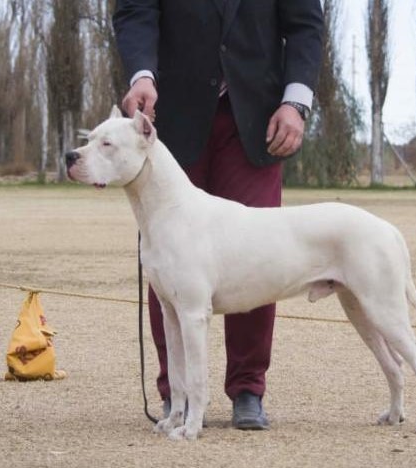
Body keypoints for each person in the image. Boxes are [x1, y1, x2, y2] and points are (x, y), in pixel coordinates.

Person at [113, 0, 323, 430]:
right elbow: (135, 10)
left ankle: (247, 388)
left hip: (258, 118)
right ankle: (179, 393)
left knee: (259, 253)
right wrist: (142, 74)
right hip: (171, 115)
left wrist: (296, 102)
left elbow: (305, 25)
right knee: (171, 259)